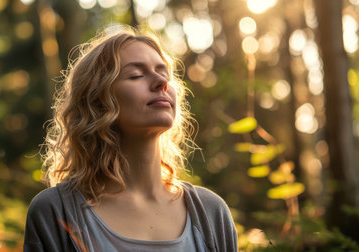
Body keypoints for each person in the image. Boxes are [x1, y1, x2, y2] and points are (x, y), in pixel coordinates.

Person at [24, 26, 237, 252]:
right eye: (136, 75)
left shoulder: (211, 212)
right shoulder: (55, 211)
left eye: (164, 74)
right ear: (97, 101)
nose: (161, 83)